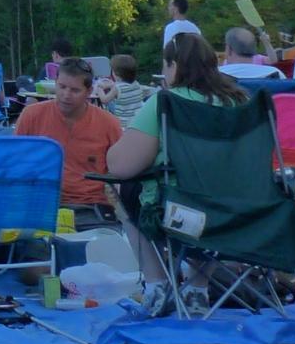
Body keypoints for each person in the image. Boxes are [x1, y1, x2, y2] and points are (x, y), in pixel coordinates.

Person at [105, 32, 248, 315]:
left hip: (176, 214)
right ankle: (197, 289)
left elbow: (121, 166)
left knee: (119, 188)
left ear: (174, 66)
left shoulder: (166, 102)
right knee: (205, 194)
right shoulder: (240, 102)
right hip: (235, 214)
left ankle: (157, 285)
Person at [15, 57, 123, 220]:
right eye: (62, 87)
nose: (66, 95)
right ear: (55, 84)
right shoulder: (31, 115)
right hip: (41, 204)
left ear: (88, 92)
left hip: (90, 206)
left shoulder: (109, 124)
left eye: (74, 90)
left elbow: (122, 173)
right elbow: (15, 163)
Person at [103, 53, 153, 127]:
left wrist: (99, 88)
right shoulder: (136, 84)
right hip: (137, 122)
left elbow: (104, 100)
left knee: (110, 105)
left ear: (116, 73)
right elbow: (123, 86)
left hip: (123, 125)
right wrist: (112, 84)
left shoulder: (117, 88)